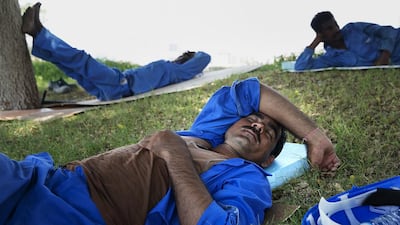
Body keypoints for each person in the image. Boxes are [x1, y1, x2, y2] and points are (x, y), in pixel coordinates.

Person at [1, 76, 340, 224]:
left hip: (77, 214)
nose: (258, 125)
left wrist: (175, 154)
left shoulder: (246, 177)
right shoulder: (205, 132)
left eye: (270, 132)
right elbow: (250, 90)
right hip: (39, 179)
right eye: (253, 119)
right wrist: (312, 134)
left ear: (268, 159)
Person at [22, 2, 211, 101]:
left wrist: (191, 54)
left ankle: (37, 31)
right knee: (71, 66)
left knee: (81, 59)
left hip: (120, 84)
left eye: (186, 57)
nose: (181, 57)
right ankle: (37, 32)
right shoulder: (174, 70)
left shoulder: (180, 72)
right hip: (113, 86)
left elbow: (205, 57)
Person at [294, 11, 400, 71]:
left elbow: (388, 31)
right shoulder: (331, 58)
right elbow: (300, 68)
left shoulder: (353, 28)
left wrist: (385, 54)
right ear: (321, 35)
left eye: (335, 25)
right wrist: (315, 43)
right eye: (329, 28)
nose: (336, 29)